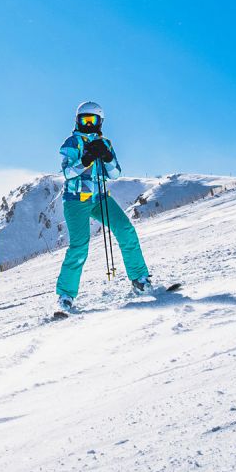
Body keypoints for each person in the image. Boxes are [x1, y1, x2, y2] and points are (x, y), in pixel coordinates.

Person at [55, 101, 151, 314]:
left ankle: (140, 279)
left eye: (93, 120)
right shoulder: (71, 143)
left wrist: (106, 156)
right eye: (84, 120)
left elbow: (115, 174)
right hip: (76, 199)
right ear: (77, 121)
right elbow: (68, 173)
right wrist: (87, 158)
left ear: (100, 122)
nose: (88, 124)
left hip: (100, 198)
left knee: (126, 230)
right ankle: (65, 296)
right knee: (80, 246)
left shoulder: (105, 143)